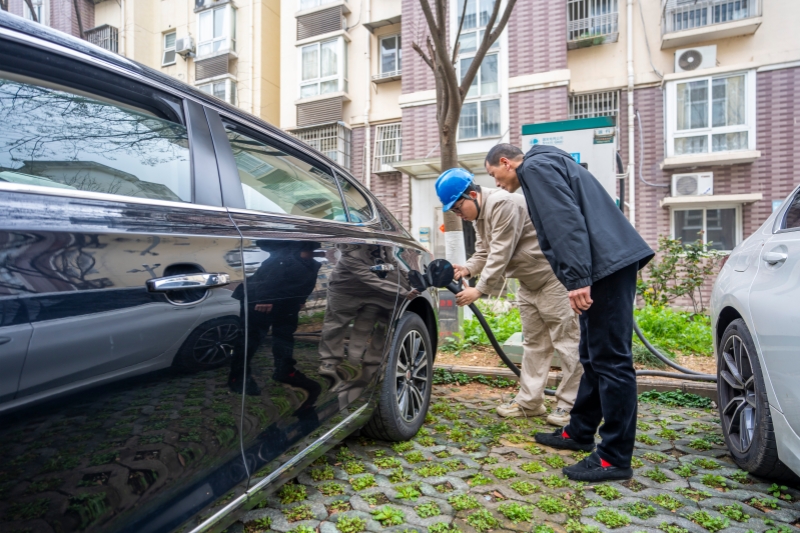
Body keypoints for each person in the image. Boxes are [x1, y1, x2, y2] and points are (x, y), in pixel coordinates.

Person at [484, 143, 654, 482]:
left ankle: (614, 457)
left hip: (603, 266)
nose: (498, 184)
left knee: (611, 361)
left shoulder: (535, 168)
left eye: (495, 176)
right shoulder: (549, 164)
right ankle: (579, 432)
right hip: (605, 262)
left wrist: (577, 279)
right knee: (591, 355)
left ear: (506, 162)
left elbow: (564, 221)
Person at [434, 168, 584, 426]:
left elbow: (501, 253)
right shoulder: (478, 217)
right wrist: (467, 268)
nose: (458, 214)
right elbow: (483, 252)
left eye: (458, 208)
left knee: (568, 344)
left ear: (472, 194)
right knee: (535, 344)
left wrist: (479, 290)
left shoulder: (503, 203)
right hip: (528, 283)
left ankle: (569, 406)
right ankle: (530, 402)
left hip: (552, 280)